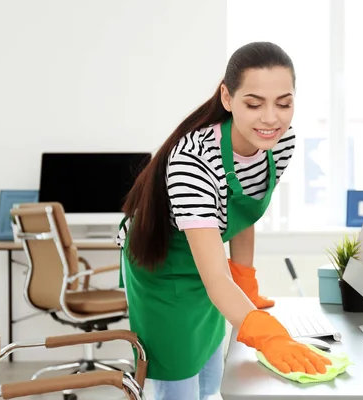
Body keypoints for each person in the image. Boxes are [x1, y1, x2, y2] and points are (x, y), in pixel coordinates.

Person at [116, 41, 331, 400]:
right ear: (228, 99)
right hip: (164, 271)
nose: (271, 118)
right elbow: (216, 278)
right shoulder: (193, 162)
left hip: (211, 262)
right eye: (253, 103)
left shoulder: (281, 142)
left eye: (284, 103)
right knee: (180, 382)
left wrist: (244, 281)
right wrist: (270, 336)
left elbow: (243, 211)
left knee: (212, 379)